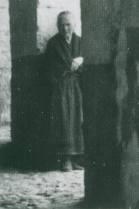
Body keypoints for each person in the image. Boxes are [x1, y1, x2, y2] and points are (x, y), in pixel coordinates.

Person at [43, 11, 84, 172]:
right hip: (61, 87)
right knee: (64, 121)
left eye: (68, 24)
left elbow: (88, 59)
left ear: (74, 25)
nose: (65, 28)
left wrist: (81, 61)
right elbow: (47, 68)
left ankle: (75, 158)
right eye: (61, 25)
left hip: (77, 86)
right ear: (57, 26)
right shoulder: (53, 44)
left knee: (77, 121)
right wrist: (58, 78)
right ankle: (65, 159)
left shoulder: (80, 42)